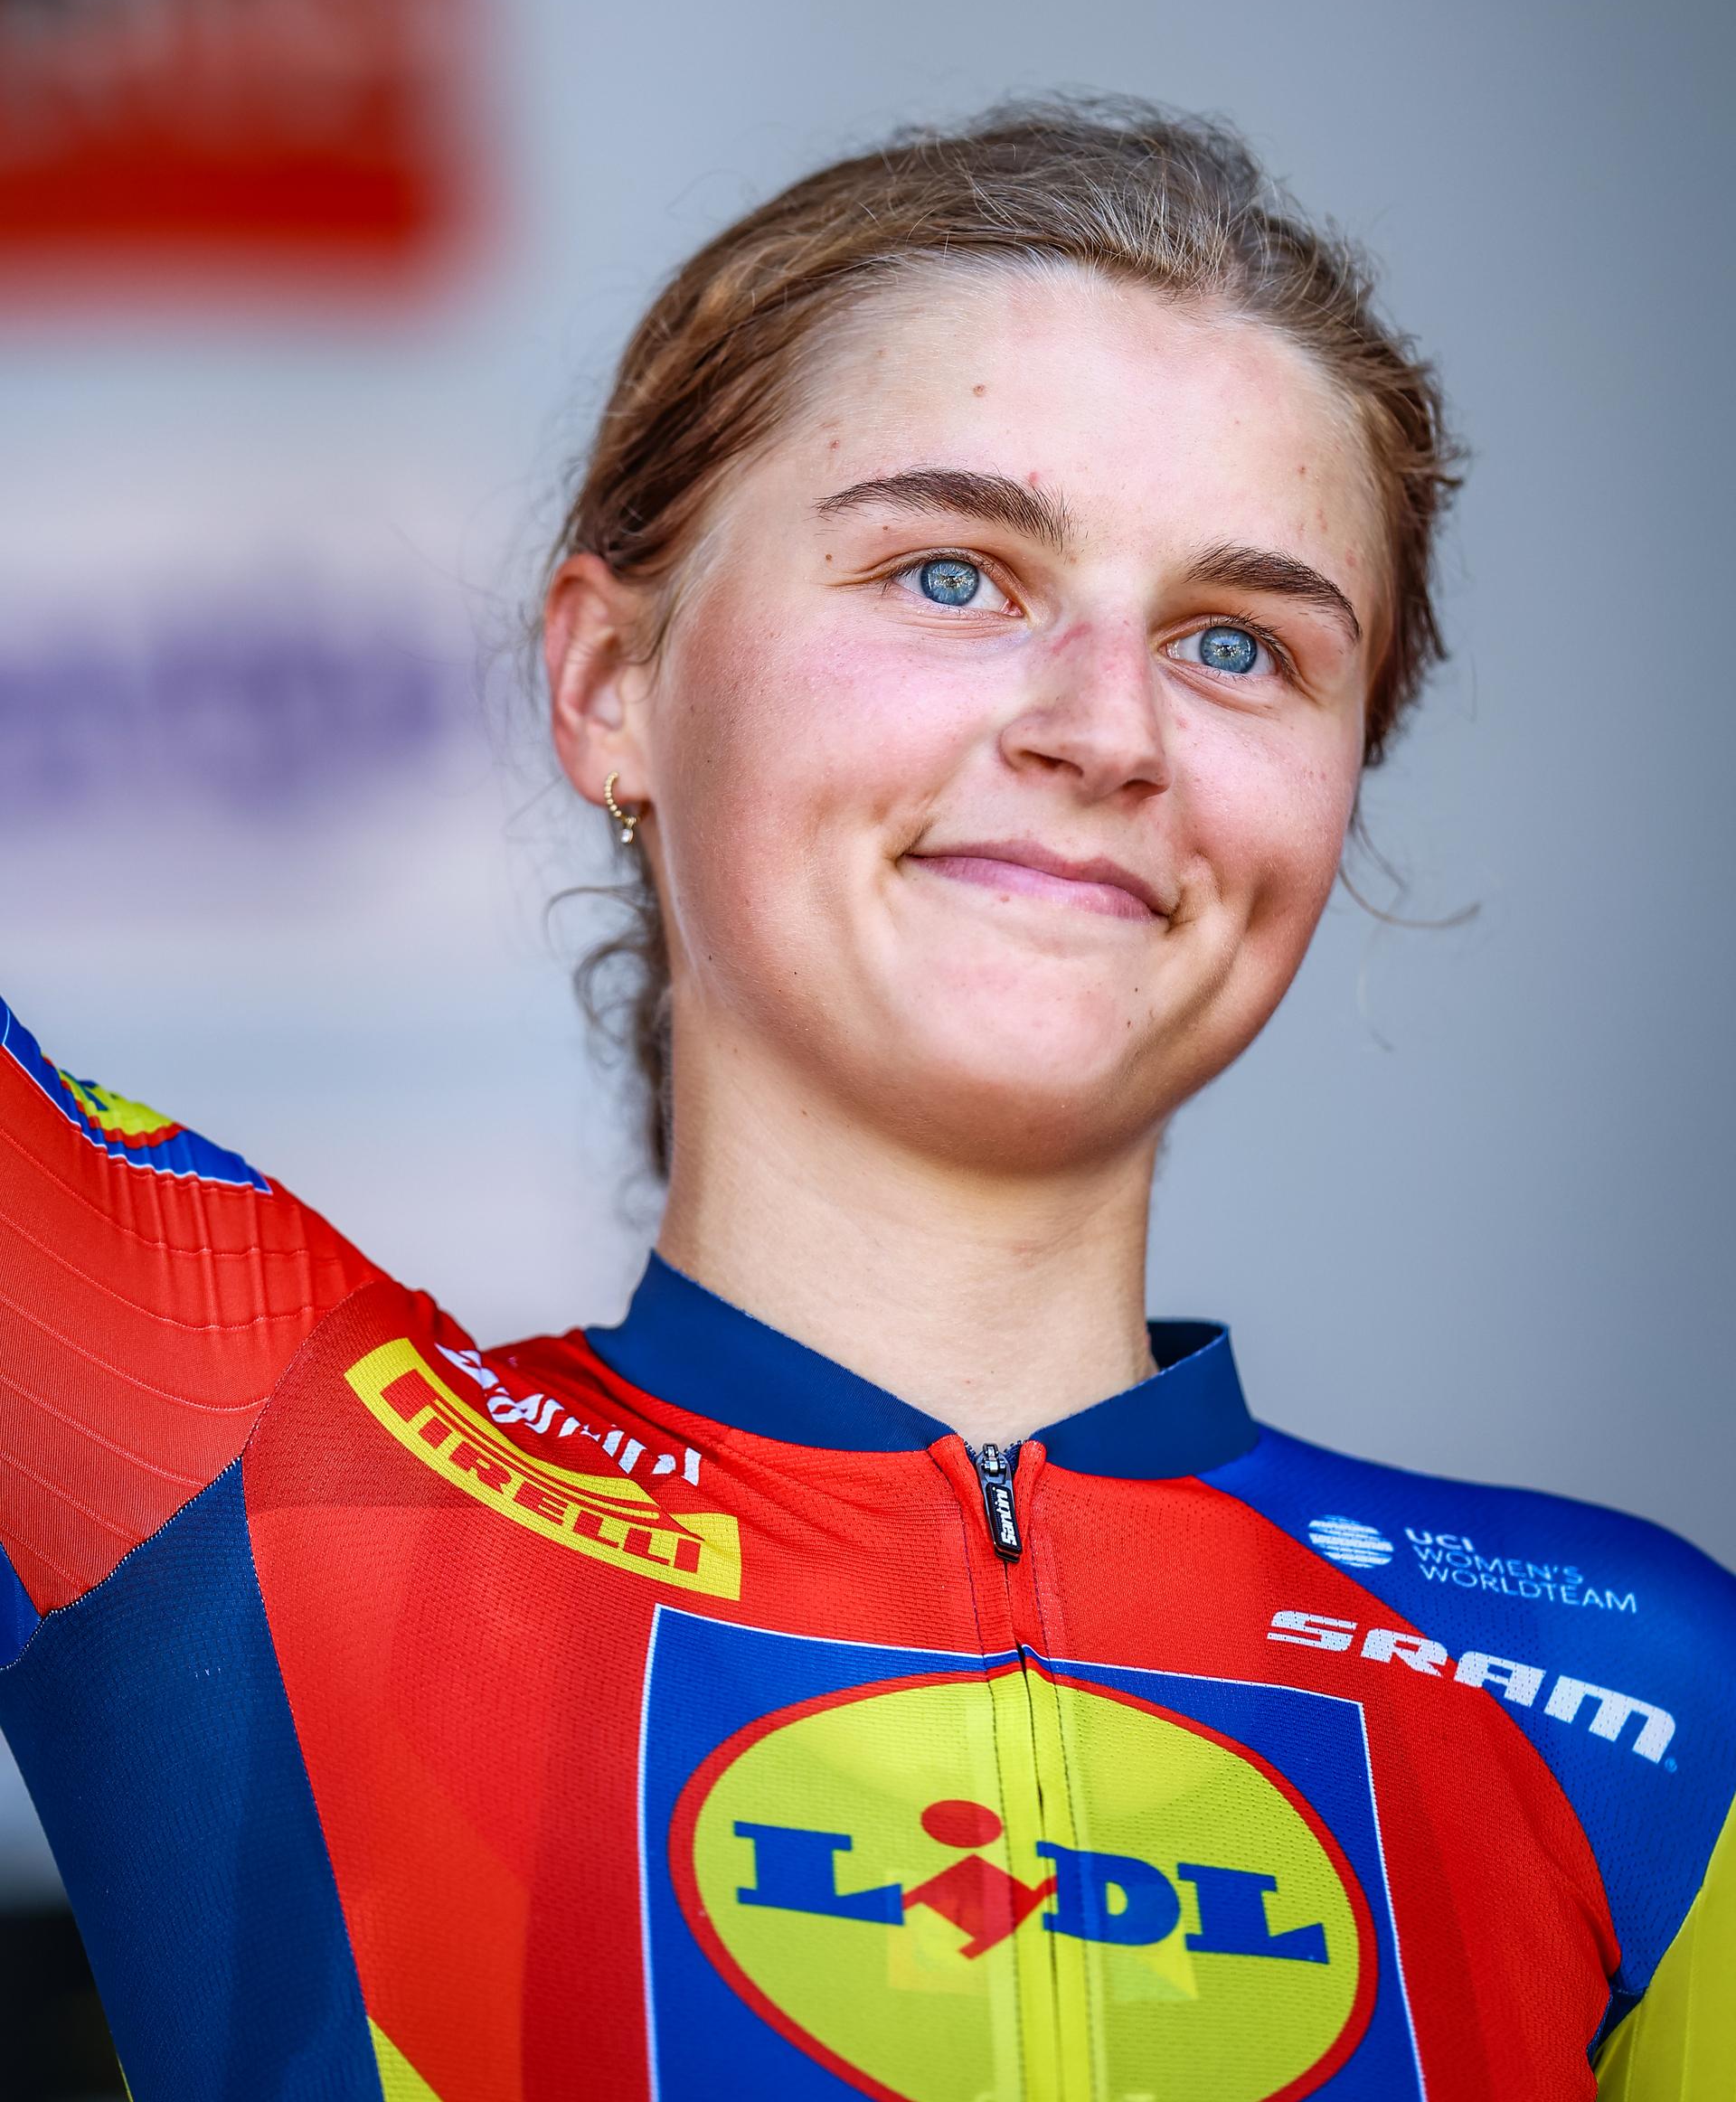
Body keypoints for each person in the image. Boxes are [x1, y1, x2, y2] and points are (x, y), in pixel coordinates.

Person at [0, 102, 1730, 2102]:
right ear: (611, 683)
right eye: (950, 576)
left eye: (1239, 643)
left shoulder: (1657, 1701)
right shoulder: (246, 1479)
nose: (1105, 728)